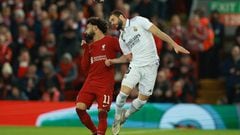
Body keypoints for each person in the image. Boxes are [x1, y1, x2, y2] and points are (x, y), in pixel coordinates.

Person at [106, 10, 190, 135]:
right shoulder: (122, 38)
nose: (111, 23)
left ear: (122, 17)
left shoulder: (139, 21)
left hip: (151, 65)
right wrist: (113, 61)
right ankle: (117, 118)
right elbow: (127, 57)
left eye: (112, 20)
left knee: (142, 101)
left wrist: (174, 44)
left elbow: (158, 32)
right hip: (136, 65)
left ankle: (126, 115)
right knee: (123, 93)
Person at [75, 17, 121, 135]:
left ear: (95, 28)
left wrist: (114, 61)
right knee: (80, 108)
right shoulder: (90, 46)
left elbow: (127, 53)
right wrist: (85, 48)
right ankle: (94, 132)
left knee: (102, 112)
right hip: (90, 82)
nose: (86, 30)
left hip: (105, 84)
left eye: (88, 26)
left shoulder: (111, 41)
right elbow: (85, 68)